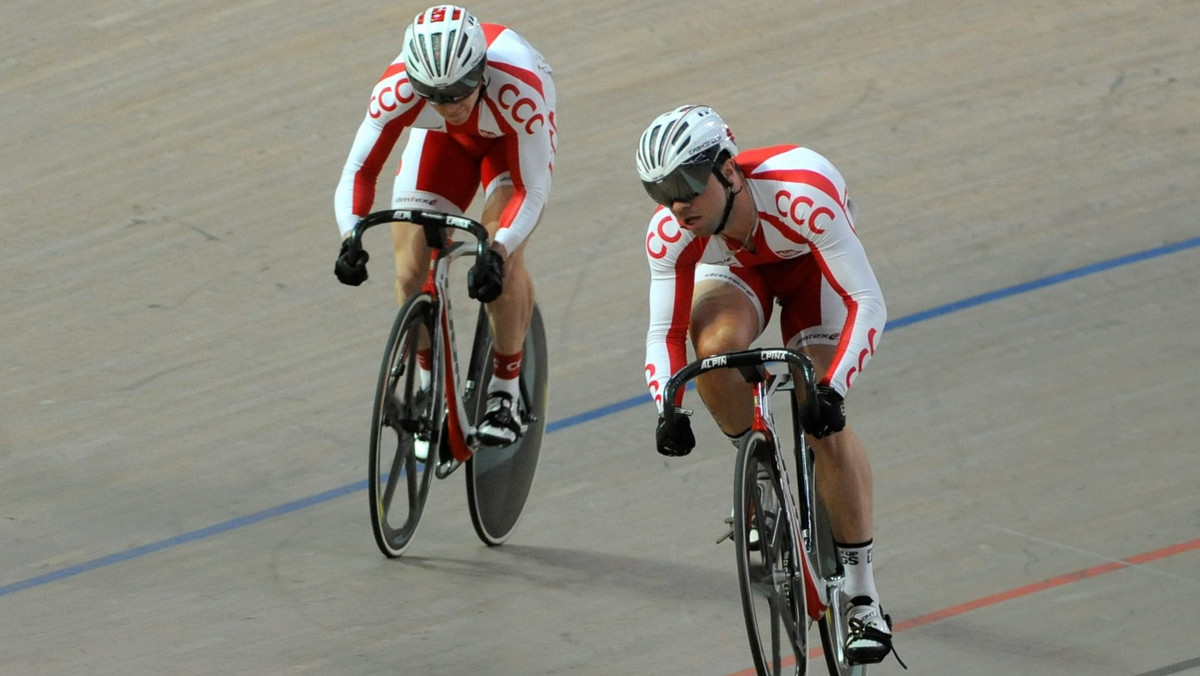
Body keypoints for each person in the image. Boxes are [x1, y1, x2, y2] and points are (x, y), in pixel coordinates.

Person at [636, 105, 895, 664]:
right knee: (713, 354)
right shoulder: (672, 232)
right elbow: (666, 333)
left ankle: (862, 595)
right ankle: (758, 477)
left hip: (812, 267)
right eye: (661, 191)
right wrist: (668, 405)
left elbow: (867, 302)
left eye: (685, 184)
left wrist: (834, 390)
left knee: (820, 415)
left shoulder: (804, 192)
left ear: (728, 171)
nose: (676, 205)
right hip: (736, 271)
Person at [332, 5, 556, 446]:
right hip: (442, 145)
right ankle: (427, 381)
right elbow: (358, 171)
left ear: (481, 69)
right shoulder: (398, 90)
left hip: (509, 141)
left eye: (459, 89)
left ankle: (505, 391)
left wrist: (497, 251)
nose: (450, 104)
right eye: (435, 94)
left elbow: (531, 191)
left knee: (501, 255)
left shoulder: (519, 90)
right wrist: (349, 234)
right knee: (410, 271)